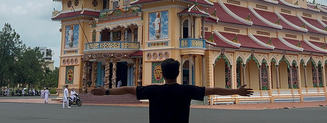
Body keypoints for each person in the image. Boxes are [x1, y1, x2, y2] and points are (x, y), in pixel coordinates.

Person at [92, 58, 253, 123]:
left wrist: (105, 91)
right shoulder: (186, 90)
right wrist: (236, 91)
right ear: (178, 73)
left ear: (161, 74)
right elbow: (213, 90)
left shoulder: (153, 91)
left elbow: (127, 89)